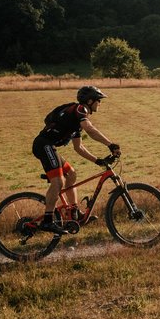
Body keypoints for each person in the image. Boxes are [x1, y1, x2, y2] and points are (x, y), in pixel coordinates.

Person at [32, 85, 121, 233]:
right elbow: (90, 130)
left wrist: (97, 160)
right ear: (90, 101)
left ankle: (73, 213)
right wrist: (110, 144)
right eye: (99, 100)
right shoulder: (80, 109)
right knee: (58, 182)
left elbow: (79, 148)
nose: (100, 103)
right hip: (43, 145)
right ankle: (48, 221)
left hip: (49, 147)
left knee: (71, 174)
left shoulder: (75, 121)